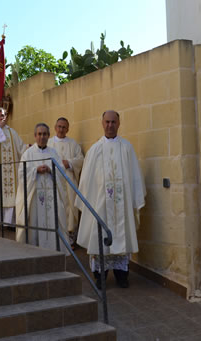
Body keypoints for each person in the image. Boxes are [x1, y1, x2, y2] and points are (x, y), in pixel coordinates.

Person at [76, 110, 146, 288]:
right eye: (107, 122)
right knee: (100, 241)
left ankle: (122, 276)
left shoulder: (127, 148)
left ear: (119, 124)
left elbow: (135, 176)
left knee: (122, 241)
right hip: (101, 204)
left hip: (121, 206)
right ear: (102, 123)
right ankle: (100, 277)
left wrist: (135, 199)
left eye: (113, 122)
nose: (110, 125)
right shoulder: (95, 150)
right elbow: (86, 181)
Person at [15, 123, 69, 253]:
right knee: (34, 223)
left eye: (45, 134)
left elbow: (61, 172)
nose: (42, 137)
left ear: (48, 136)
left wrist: (51, 170)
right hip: (34, 197)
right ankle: (33, 251)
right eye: (39, 134)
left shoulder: (53, 153)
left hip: (51, 196)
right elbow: (21, 174)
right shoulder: (28, 154)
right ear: (35, 136)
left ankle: (54, 250)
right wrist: (35, 170)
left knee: (53, 220)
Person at [47, 117, 84, 246]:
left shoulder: (73, 144)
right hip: (53, 180)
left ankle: (70, 239)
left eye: (64, 127)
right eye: (59, 126)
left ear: (68, 129)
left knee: (71, 208)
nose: (61, 129)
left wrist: (69, 163)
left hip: (69, 181)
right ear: (55, 127)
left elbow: (80, 159)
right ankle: (54, 238)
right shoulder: (49, 143)